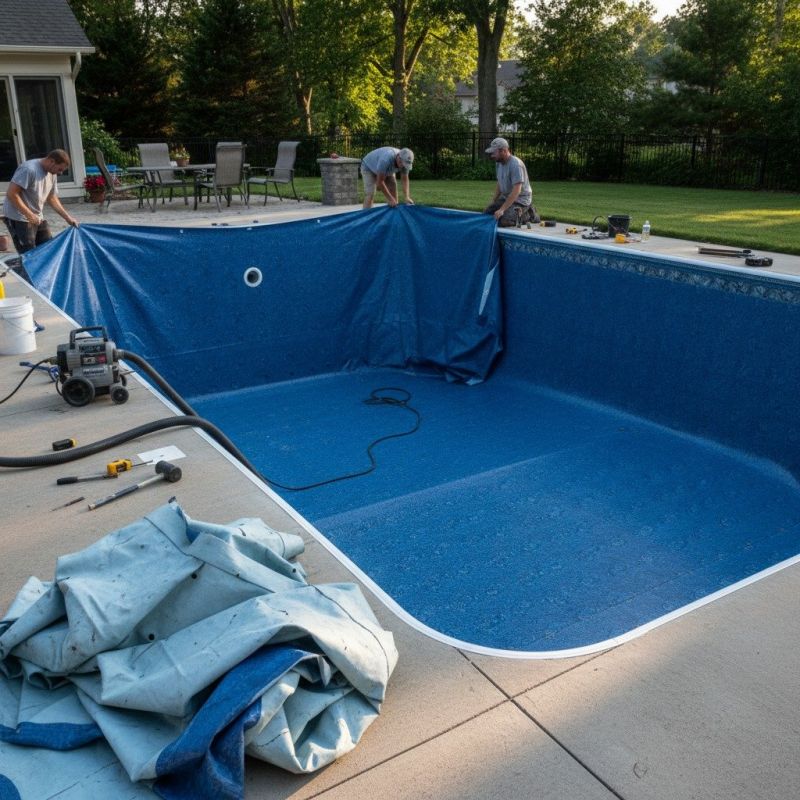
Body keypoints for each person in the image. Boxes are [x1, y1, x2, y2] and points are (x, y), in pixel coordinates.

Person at [2, 149, 79, 279]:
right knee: (29, 254)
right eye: (59, 169)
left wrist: (68, 218)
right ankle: (30, 282)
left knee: (48, 248)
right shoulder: (28, 169)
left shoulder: (51, 173)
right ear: (52, 161)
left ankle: (45, 279)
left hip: (37, 216)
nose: (60, 173)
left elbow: (52, 198)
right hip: (18, 217)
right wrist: (29, 215)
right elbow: (12, 194)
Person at [483, 137, 539, 228]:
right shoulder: (498, 163)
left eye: (494, 152)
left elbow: (517, 191)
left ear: (503, 151)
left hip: (521, 200)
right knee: (487, 214)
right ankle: (520, 212)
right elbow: (499, 183)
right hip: (506, 198)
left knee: (504, 221)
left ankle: (528, 215)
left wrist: (502, 209)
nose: (492, 155)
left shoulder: (515, 164)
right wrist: (493, 201)